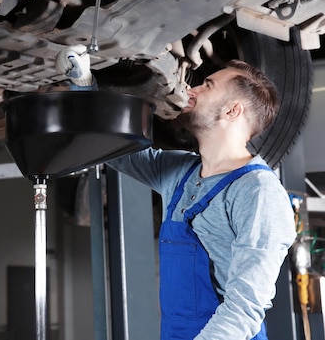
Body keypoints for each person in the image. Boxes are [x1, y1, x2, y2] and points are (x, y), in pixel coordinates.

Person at [56, 45, 297, 340]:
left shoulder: (258, 192)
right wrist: (84, 87)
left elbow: (245, 307)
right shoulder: (180, 172)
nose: (191, 89)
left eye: (207, 85)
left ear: (233, 110)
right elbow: (118, 152)